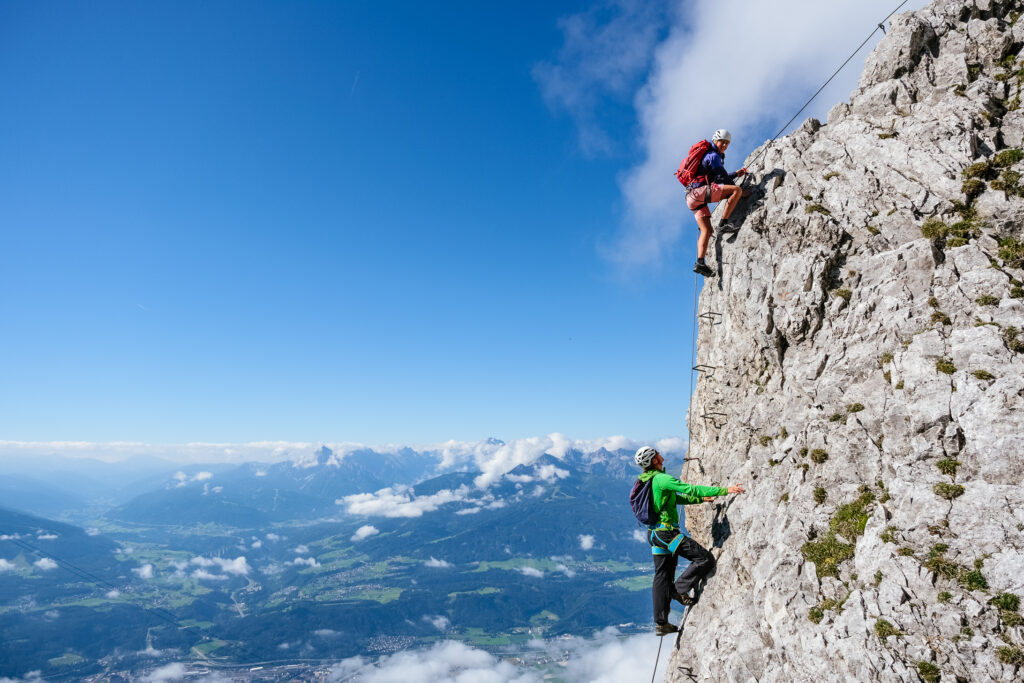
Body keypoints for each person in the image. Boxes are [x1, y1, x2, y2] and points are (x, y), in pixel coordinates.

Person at [633, 446, 745, 636]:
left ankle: (661, 623)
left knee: (661, 577)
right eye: (657, 453)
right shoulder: (661, 479)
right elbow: (689, 488)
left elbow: (674, 499)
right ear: (654, 460)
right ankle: (679, 589)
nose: (661, 453)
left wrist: (701, 499)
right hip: (667, 533)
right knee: (704, 559)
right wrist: (725, 490)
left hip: (654, 535)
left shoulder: (646, 480)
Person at [686, 129, 748, 277]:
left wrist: (735, 174)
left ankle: (700, 263)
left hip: (692, 198)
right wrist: (740, 192)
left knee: (707, 231)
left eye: (727, 143)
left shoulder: (710, 156)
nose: (724, 145)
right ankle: (723, 224)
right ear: (715, 140)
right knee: (736, 191)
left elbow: (718, 178)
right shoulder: (713, 156)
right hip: (700, 193)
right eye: (722, 142)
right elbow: (723, 179)